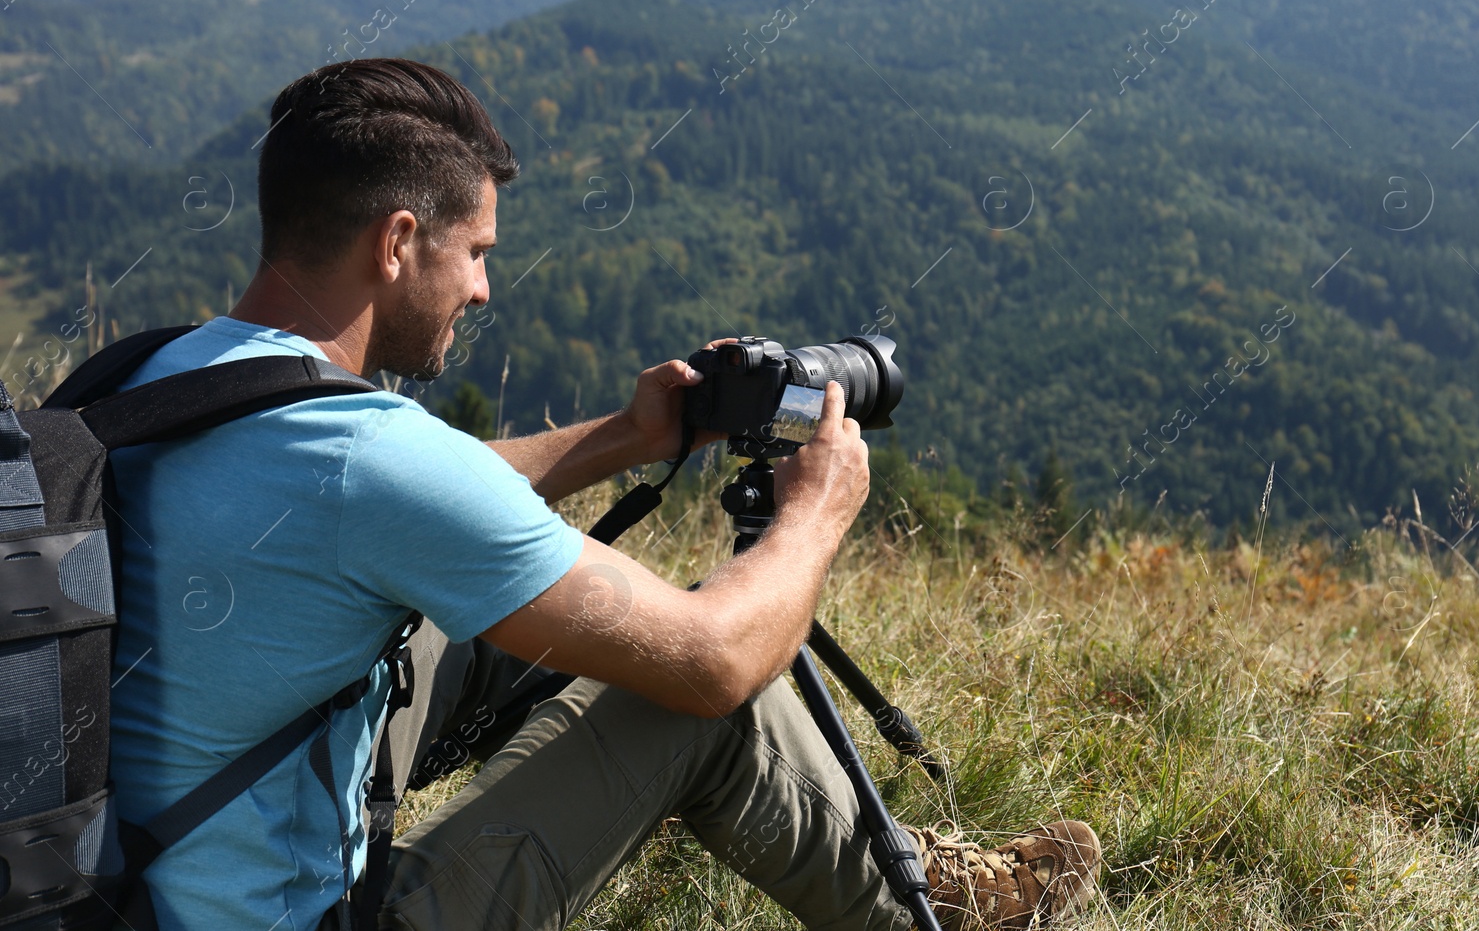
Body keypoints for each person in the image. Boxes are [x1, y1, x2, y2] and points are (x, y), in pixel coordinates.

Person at [106, 56, 1101, 931]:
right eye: (478, 251)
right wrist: (816, 510)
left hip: (115, 882)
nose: (484, 289)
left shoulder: (152, 376)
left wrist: (625, 439)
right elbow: (712, 663)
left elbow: (416, 496)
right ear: (398, 240)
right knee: (706, 701)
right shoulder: (367, 457)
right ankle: (933, 906)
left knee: (504, 617)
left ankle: (896, 854)